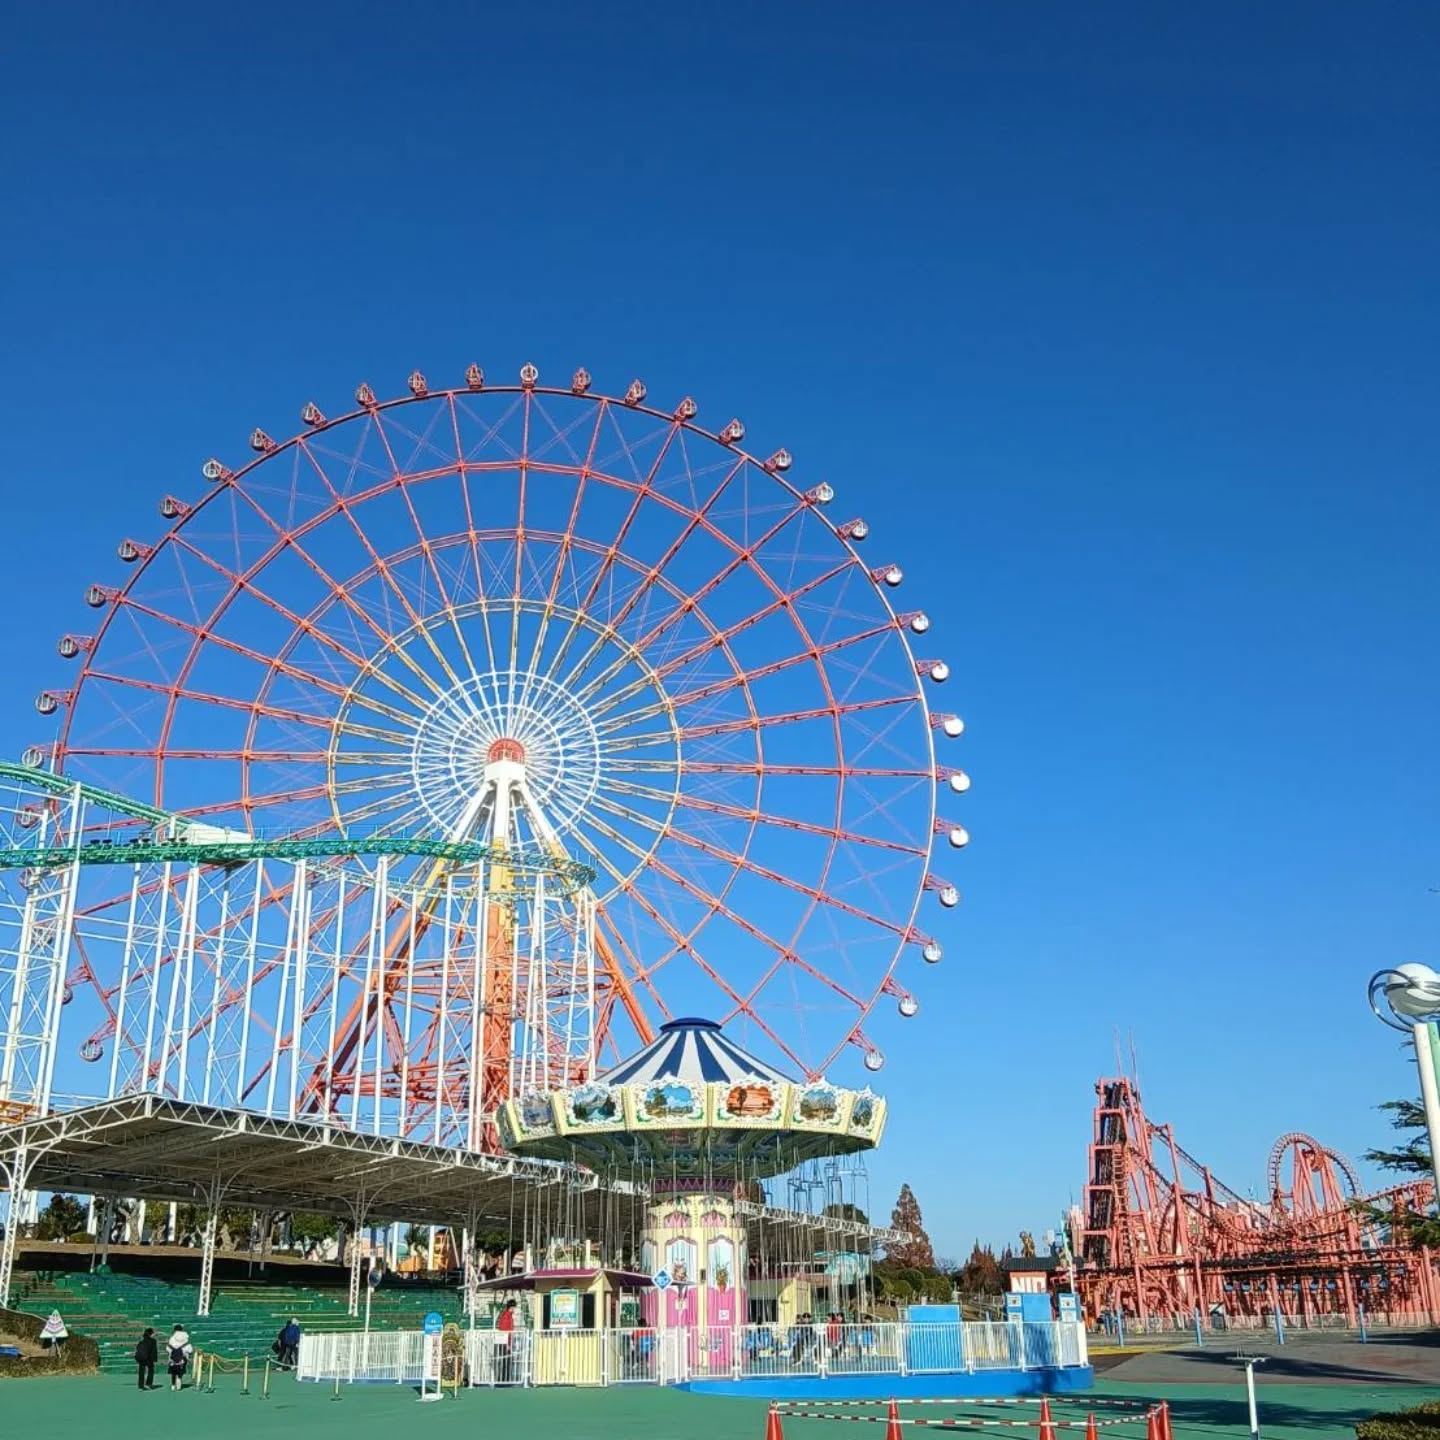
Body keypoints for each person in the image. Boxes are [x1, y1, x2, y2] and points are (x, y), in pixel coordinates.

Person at [166, 1324, 193, 1391]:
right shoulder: (186, 1339)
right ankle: (179, 1383)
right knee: (180, 1371)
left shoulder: (172, 1338)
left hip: (173, 1358)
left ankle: (173, 1385)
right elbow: (190, 1350)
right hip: (183, 1358)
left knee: (173, 1372)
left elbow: (168, 1349)